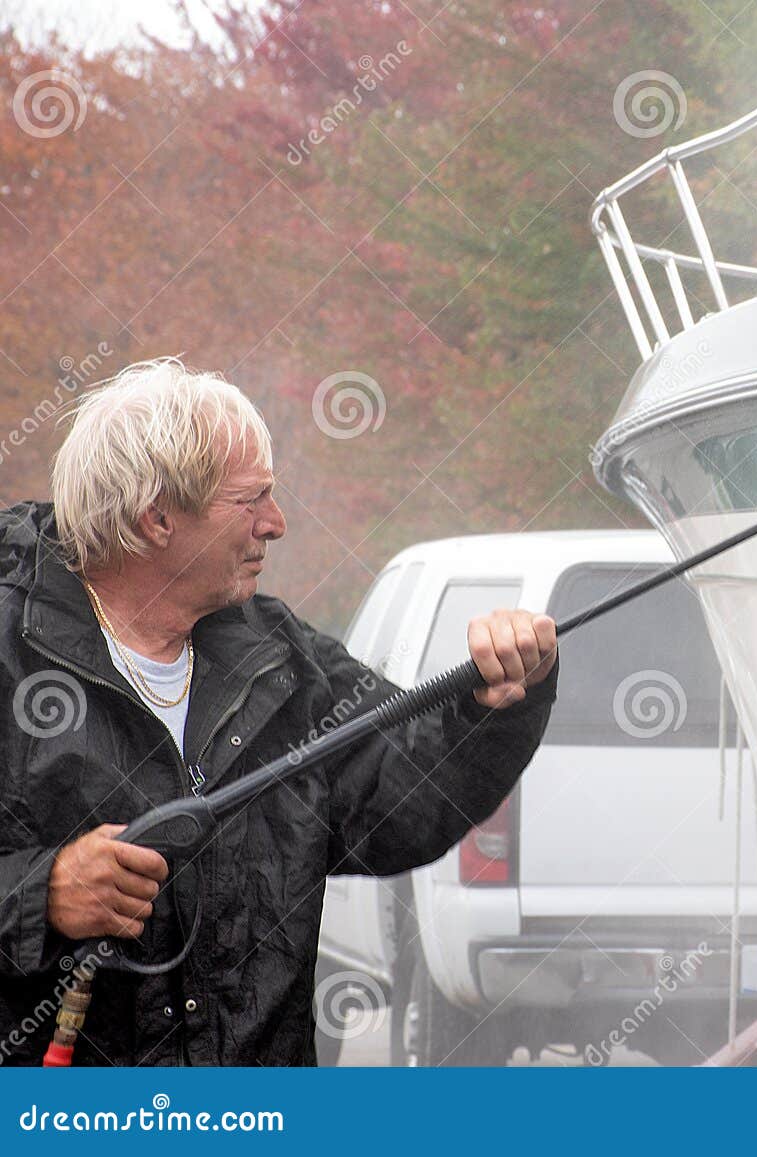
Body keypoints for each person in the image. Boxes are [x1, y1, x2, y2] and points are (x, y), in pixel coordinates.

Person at [0, 358, 557, 1065]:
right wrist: (39, 891)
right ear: (157, 516)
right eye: (251, 499)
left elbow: (404, 803)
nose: (277, 523)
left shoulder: (280, 655)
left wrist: (498, 704)